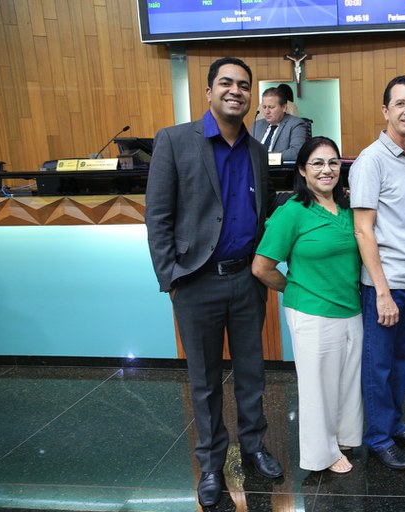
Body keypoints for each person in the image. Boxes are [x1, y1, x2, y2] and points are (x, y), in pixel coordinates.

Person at [145, 56, 283, 507]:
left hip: (246, 281)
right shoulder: (174, 140)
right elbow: (158, 216)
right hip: (196, 282)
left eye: (243, 85)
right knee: (204, 380)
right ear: (208, 92)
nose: (235, 91)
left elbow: (262, 211)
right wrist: (171, 278)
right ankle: (210, 464)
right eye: (226, 83)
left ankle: (254, 446)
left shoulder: (256, 150)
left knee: (252, 373)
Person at [252, 136, 363, 474]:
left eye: (332, 163)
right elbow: (262, 267)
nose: (326, 170)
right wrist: (297, 289)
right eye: (317, 163)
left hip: (351, 307)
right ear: (302, 170)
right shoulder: (292, 212)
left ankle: (344, 437)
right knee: (318, 387)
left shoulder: (348, 208)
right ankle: (321, 455)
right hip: (312, 312)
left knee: (347, 381)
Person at [349, 75, 405, 470]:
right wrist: (381, 292)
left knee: (401, 360)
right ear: (385, 110)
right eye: (400, 103)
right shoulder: (372, 160)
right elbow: (363, 230)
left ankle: (394, 424)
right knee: (378, 366)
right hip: (386, 285)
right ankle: (378, 437)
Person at [252, 86, 307, 161]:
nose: (266, 112)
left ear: (284, 107)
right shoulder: (257, 125)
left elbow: (296, 153)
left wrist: (266, 157)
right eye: (264, 107)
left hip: (278, 168)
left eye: (271, 107)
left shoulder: (296, 124)